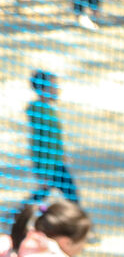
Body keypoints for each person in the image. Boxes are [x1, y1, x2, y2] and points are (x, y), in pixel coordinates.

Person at [27, 72, 79, 205]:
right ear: (43, 89)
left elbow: (53, 139)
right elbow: (39, 144)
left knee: (46, 194)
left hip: (55, 163)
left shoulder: (47, 110)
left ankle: (15, 215)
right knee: (72, 197)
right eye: (53, 86)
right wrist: (43, 172)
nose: (57, 89)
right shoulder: (40, 112)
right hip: (51, 166)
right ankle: (16, 216)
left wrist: (62, 154)